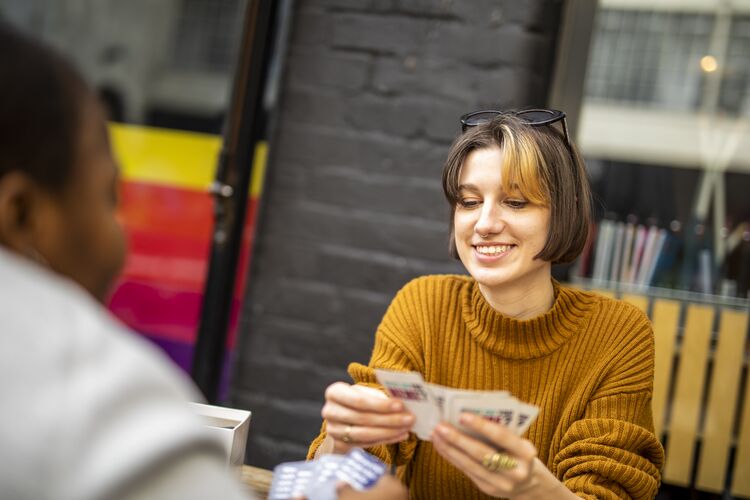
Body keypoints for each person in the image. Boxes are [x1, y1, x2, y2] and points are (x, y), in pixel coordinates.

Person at [0, 21, 406, 500]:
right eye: (109, 198)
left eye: (516, 202)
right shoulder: (94, 399)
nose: (485, 224)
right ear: (21, 213)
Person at [309, 109, 665, 499]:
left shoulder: (618, 333)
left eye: (515, 202)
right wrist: (345, 442)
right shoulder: (423, 304)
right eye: (468, 201)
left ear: (563, 211)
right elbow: (359, 470)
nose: (483, 224)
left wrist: (533, 488)